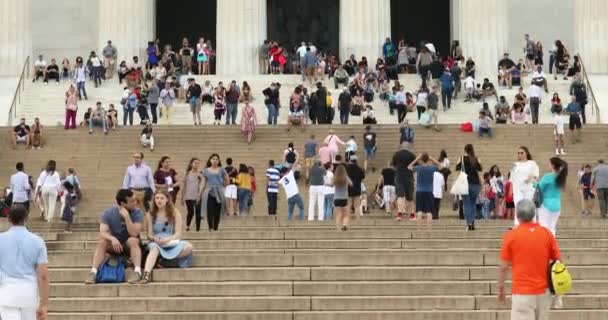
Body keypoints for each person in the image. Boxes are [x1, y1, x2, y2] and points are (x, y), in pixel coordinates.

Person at [498, 200, 561, 319]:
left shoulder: (511, 236)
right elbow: (559, 262)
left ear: (517, 215)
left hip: (522, 292)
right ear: (534, 214)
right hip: (543, 292)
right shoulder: (546, 234)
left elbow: (503, 267)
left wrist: (501, 288)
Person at [0, 205, 50, 320]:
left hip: (6, 291)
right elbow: (43, 275)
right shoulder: (38, 241)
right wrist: (44, 303)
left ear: (9, 219)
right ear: (26, 218)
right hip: (29, 292)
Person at [84, 189, 144, 284]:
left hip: (129, 245)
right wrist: (112, 238)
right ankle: (93, 272)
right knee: (103, 241)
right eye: (132, 201)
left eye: (135, 200)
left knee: (133, 240)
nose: (135, 203)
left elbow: (134, 233)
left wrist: (127, 217)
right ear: (122, 203)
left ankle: (137, 271)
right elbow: (102, 232)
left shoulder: (137, 213)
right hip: (114, 245)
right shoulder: (108, 213)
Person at [140, 190, 193, 284]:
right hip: (156, 241)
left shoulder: (175, 213)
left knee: (188, 247)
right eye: (157, 198)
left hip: (170, 240)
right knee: (155, 248)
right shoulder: (150, 214)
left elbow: (178, 233)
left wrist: (167, 240)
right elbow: (149, 234)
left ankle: (163, 260)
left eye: (161, 198)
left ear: (167, 199)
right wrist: (154, 239)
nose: (159, 200)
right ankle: (146, 274)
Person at [408, 153, 444, 229]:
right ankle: (429, 229)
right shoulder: (432, 168)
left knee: (419, 211)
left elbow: (409, 167)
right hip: (429, 191)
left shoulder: (418, 168)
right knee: (429, 212)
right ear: (428, 160)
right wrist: (432, 159)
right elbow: (442, 166)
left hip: (419, 191)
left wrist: (417, 159)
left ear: (421, 160)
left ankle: (419, 228)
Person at [537, 157, 568, 236]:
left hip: (546, 204)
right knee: (552, 228)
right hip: (557, 205)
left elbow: (539, 187)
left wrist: (533, 182)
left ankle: (544, 246)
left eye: (549, 163)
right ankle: (552, 245)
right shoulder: (561, 177)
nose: (548, 165)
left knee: (543, 226)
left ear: (553, 165)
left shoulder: (548, 176)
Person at [510, 146, 540, 226]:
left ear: (526, 153)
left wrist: (531, 177)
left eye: (522, 153)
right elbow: (511, 178)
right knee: (518, 205)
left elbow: (536, 174)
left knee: (530, 205)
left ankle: (533, 223)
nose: (520, 154)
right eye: (518, 153)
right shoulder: (515, 164)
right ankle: (517, 224)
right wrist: (510, 190)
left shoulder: (532, 163)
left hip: (529, 188)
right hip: (517, 189)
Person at [456, 144, 483, 230]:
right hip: (475, 184)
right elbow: (480, 170)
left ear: (465, 150)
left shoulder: (461, 158)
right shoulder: (476, 158)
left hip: (465, 184)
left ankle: (469, 224)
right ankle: (472, 223)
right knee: (473, 204)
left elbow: (457, 169)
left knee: (466, 204)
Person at [200, 154, 229, 231]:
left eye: (217, 159)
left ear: (218, 161)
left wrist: (223, 187)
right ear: (210, 160)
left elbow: (227, 180)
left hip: (219, 192)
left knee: (217, 211)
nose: (215, 161)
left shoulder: (222, 169)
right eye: (213, 159)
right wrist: (200, 194)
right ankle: (210, 227)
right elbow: (203, 183)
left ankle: (215, 227)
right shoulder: (206, 170)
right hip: (209, 191)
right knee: (210, 210)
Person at [392, 143, 416, 221]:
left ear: (401, 147)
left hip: (399, 176)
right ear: (408, 147)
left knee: (400, 196)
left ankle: (399, 214)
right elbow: (415, 166)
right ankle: (412, 215)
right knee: (410, 197)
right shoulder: (411, 155)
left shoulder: (396, 154)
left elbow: (394, 165)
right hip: (409, 177)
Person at [182, 158, 203, 231]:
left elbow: (202, 185)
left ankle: (198, 229)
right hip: (188, 196)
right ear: (191, 164)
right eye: (195, 163)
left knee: (198, 213)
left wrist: (199, 195)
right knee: (191, 212)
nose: (196, 164)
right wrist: (182, 197)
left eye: (198, 163)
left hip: (197, 196)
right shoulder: (187, 173)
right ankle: (187, 225)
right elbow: (184, 186)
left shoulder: (200, 174)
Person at [332, 165, 353, 231]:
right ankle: (344, 225)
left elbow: (331, 185)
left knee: (338, 214)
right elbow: (351, 184)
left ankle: (338, 228)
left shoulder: (335, 178)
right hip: (344, 198)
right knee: (346, 214)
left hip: (336, 198)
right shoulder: (345, 177)